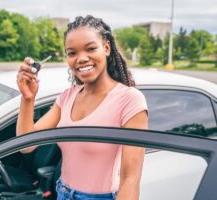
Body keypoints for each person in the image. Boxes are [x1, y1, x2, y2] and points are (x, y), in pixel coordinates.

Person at [16, 15, 148, 200]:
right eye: (72, 53)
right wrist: (27, 99)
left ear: (107, 48)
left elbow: (131, 180)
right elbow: (26, 146)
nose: (81, 58)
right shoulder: (68, 96)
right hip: (62, 192)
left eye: (91, 49)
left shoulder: (129, 100)